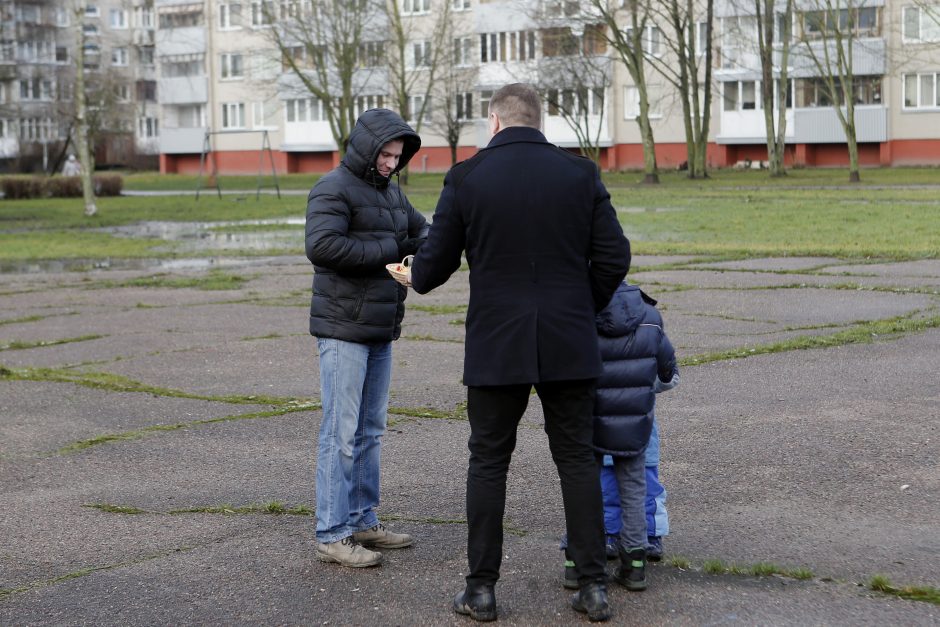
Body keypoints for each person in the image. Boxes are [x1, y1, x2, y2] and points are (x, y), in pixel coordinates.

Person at [409, 83, 630, 622]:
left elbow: (431, 271)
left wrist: (408, 272)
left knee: (488, 461)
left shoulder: (467, 177)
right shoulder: (581, 174)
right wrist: (582, 304)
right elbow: (614, 258)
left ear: (495, 121)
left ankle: (481, 590)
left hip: (496, 342)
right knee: (576, 458)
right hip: (568, 340)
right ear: (540, 120)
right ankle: (593, 587)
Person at [305, 108, 428, 568]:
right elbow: (322, 246)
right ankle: (332, 533)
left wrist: (421, 255)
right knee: (340, 433)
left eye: (398, 156)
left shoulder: (392, 195)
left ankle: (361, 520)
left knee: (369, 431)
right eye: (385, 154)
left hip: (380, 328)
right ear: (366, 148)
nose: (391, 163)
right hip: (342, 330)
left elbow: (423, 231)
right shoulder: (332, 188)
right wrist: (392, 251)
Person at [568, 283, 677, 593]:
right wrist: (642, 389)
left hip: (591, 422)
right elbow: (669, 372)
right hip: (637, 425)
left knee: (585, 485)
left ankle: (583, 556)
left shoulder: (579, 315)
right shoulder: (650, 318)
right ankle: (639, 555)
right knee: (639, 485)